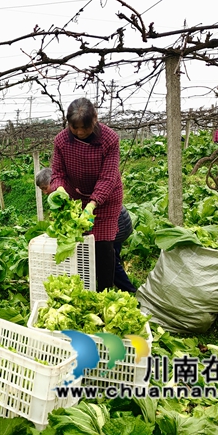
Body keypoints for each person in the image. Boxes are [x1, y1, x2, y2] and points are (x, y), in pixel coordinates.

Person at [50, 97, 123, 292]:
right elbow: (58, 173)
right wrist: (59, 188)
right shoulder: (61, 141)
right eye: (75, 128)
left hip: (106, 200)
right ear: (68, 124)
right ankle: (83, 289)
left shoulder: (110, 139)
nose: (80, 132)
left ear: (95, 119)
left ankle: (105, 292)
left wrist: (92, 204)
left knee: (103, 246)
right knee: (80, 246)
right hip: (76, 198)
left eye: (85, 127)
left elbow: (109, 177)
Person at [36, 167, 136, 292]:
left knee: (109, 262)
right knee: (108, 262)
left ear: (53, 181)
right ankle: (113, 289)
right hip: (114, 222)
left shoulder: (69, 189)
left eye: (45, 188)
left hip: (117, 223)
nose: (45, 193)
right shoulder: (63, 193)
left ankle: (131, 292)